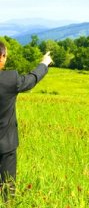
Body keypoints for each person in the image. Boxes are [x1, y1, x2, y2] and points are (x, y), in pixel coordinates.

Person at [0, 41, 53, 201]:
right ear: (2, 57)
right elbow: (31, 79)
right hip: (5, 146)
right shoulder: (10, 79)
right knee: (8, 190)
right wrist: (44, 63)